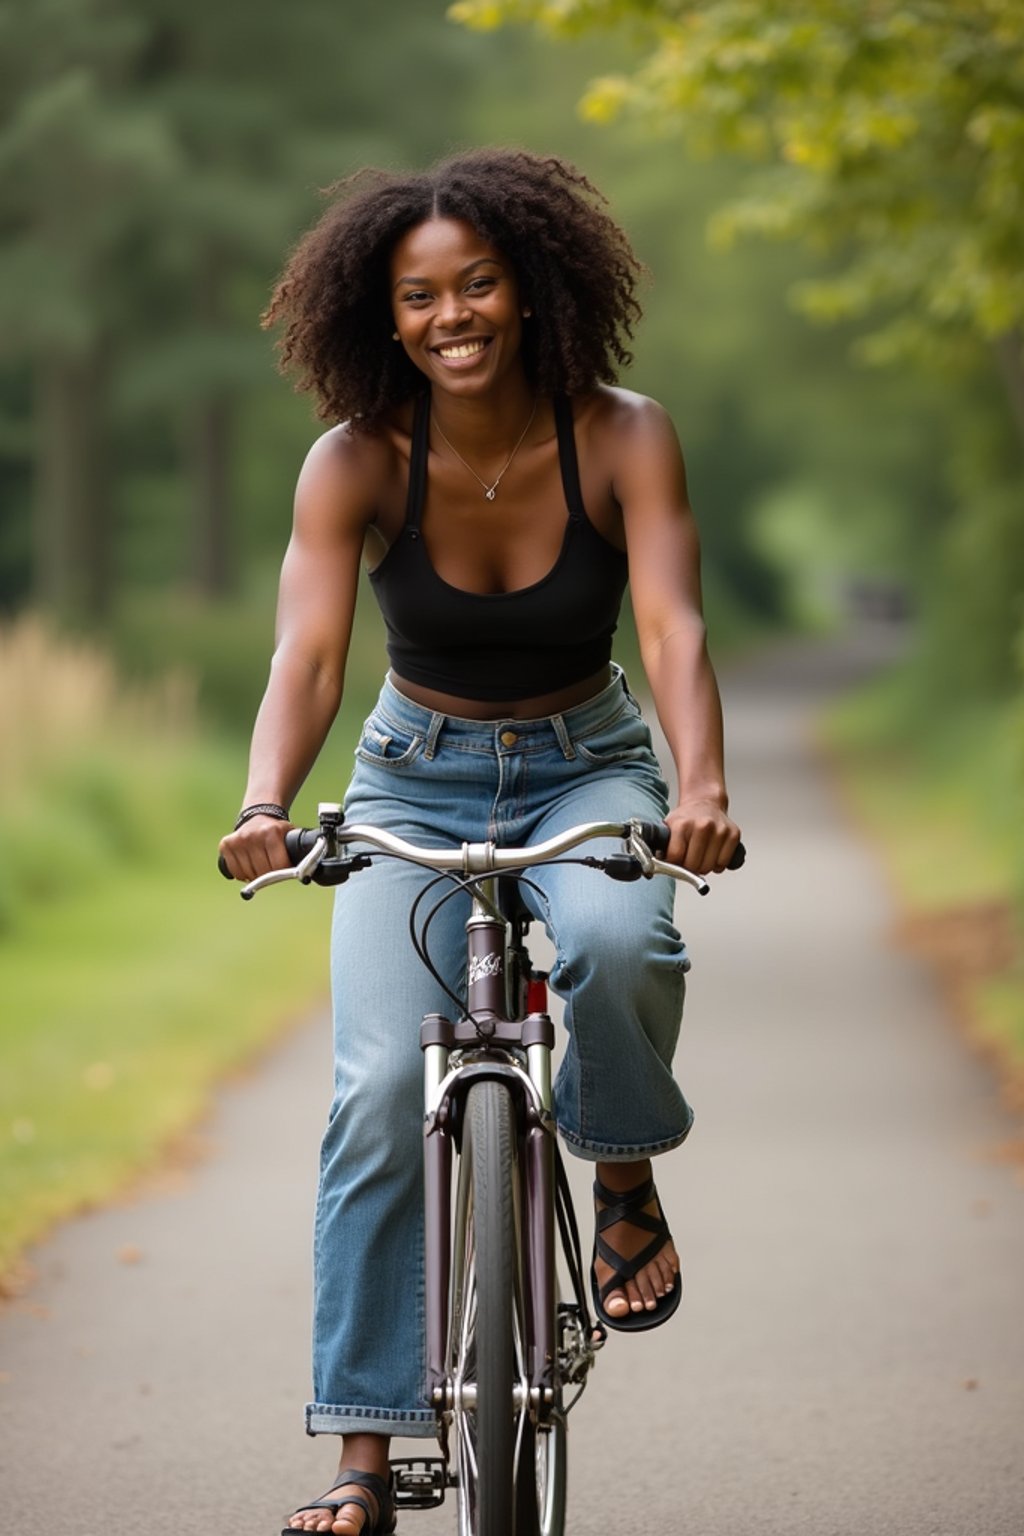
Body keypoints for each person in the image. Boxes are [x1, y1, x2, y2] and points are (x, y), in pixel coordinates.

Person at [218, 147, 741, 1536]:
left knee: (626, 939)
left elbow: (675, 625)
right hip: (411, 781)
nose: (451, 314)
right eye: (417, 296)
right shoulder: (355, 460)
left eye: (479, 283)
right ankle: (364, 1458)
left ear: (531, 288)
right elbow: (310, 653)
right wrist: (269, 801)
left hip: (589, 765)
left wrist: (703, 784)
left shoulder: (624, 434)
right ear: (379, 316)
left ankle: (620, 1174)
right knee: (382, 1085)